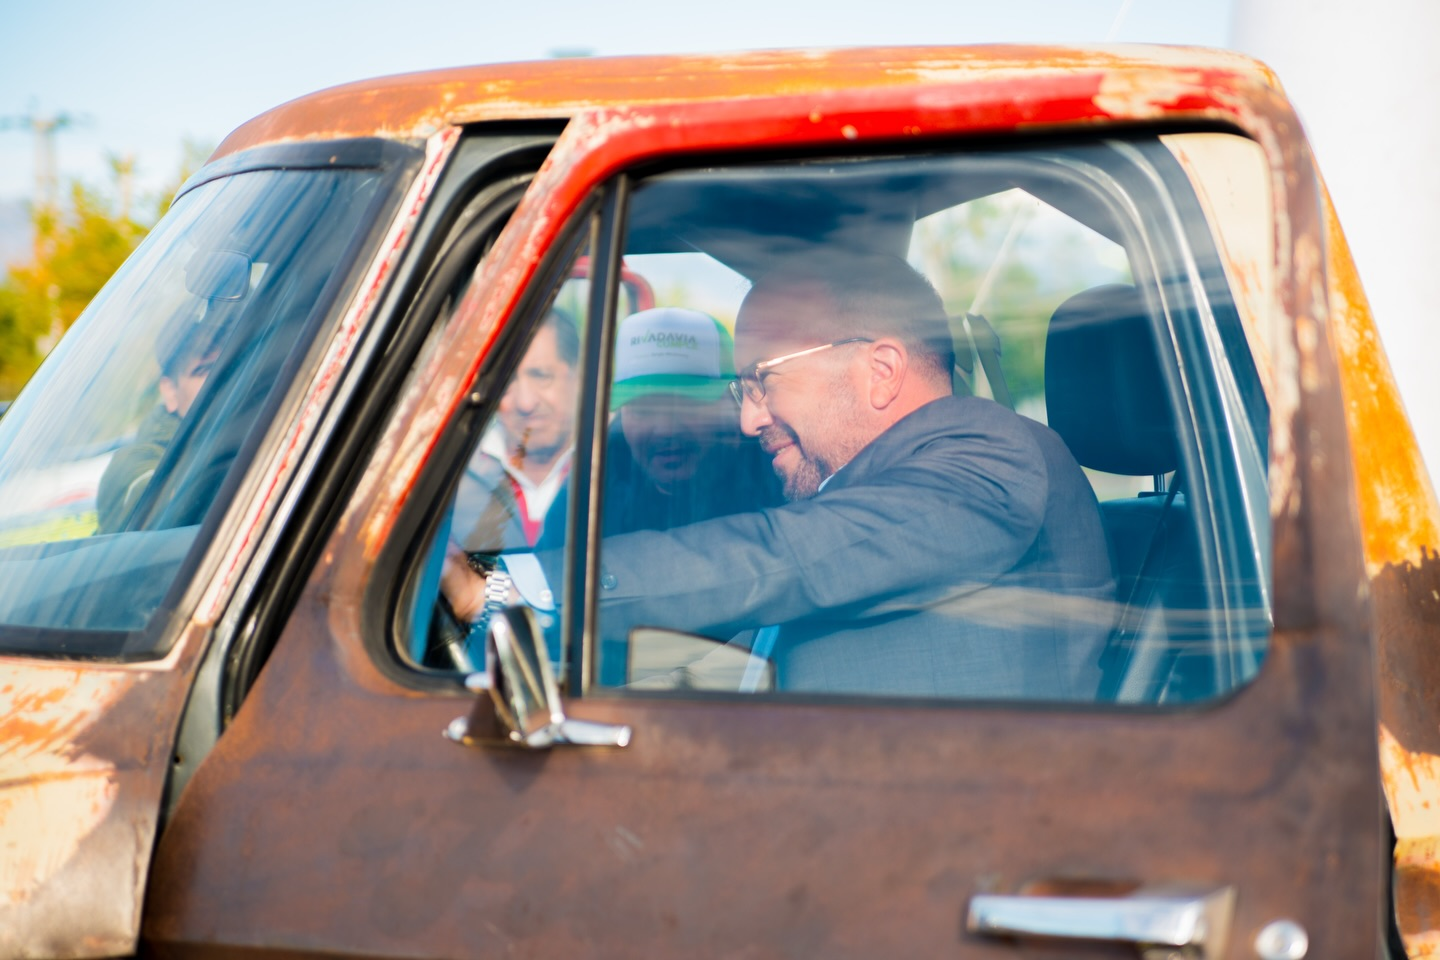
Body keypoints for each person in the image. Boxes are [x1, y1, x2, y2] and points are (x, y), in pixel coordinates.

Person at [444, 254, 1116, 700]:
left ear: (881, 371)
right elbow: (757, 649)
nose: (749, 420)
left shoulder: (992, 455)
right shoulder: (875, 480)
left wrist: (504, 589)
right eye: (742, 391)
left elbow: (785, 558)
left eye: (763, 382)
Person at [538, 306, 782, 548]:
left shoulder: (779, 472)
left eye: (686, 403)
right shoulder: (594, 483)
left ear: (734, 402)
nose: (665, 429)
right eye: (643, 409)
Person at [452, 309, 579, 551]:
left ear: (579, 376)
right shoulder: (455, 471)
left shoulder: (614, 465)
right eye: (507, 381)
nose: (525, 402)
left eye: (541, 376)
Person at [96, 304, 224, 533]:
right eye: (204, 371)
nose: (220, 380)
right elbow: (159, 505)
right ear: (170, 391)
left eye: (229, 367)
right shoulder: (133, 463)